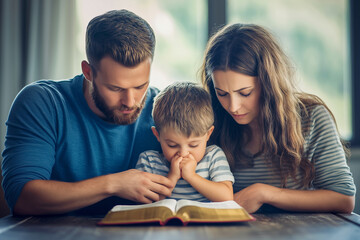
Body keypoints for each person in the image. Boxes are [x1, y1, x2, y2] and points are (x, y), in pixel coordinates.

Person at [1, 9, 174, 216]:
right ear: (88, 72)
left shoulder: (164, 108)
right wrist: (114, 184)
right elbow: (21, 198)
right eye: (115, 88)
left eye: (140, 86)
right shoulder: (42, 102)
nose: (131, 102)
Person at [200, 23, 356, 213]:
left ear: (269, 83)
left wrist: (265, 193)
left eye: (245, 93)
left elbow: (344, 199)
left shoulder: (312, 118)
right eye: (222, 93)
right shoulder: (212, 121)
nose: (232, 107)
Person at [136, 82, 234, 202]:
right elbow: (145, 201)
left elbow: (226, 197)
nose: (183, 153)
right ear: (157, 135)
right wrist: (172, 177)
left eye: (194, 145)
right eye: (172, 145)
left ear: (208, 134)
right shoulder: (149, 161)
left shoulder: (213, 156)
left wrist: (191, 176)